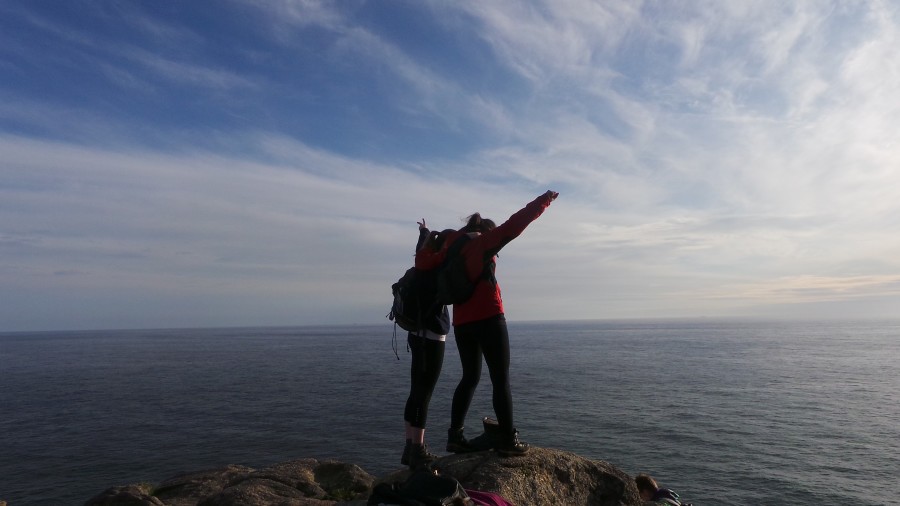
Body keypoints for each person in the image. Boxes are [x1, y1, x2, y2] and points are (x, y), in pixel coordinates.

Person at [417, 190, 558, 456]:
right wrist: (544, 200)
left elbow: (423, 262)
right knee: (500, 379)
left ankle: (455, 436)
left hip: (463, 323)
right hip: (489, 318)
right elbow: (515, 224)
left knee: (469, 377)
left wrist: (426, 237)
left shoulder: (448, 247)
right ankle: (507, 438)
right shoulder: (482, 243)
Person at [402, 219, 452, 470]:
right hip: (433, 337)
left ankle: (409, 446)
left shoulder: (421, 264)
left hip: (416, 334)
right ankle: (418, 449)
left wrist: (423, 232)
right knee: (425, 394)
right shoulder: (438, 269)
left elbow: (422, 247)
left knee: (415, 390)